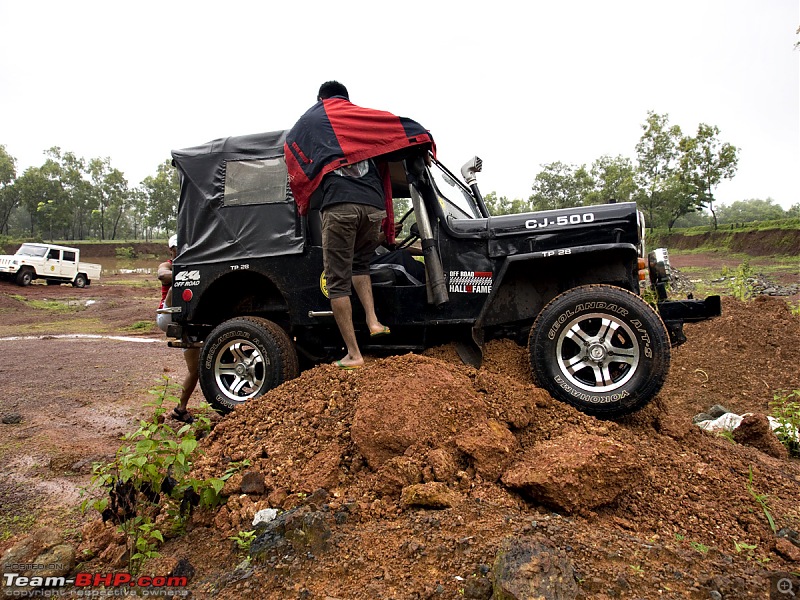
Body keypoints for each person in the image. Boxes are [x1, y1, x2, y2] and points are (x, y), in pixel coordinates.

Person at [285, 80, 434, 369]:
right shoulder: (359, 120)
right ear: (345, 99)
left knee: (337, 282)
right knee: (360, 264)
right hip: (374, 208)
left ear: (320, 98)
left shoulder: (313, 120)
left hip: (340, 207)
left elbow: (292, 147)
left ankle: (354, 354)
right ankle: (373, 321)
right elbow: (397, 130)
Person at [157, 234, 199, 422]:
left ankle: (180, 409)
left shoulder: (193, 264)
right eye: (176, 248)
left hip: (186, 322)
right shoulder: (167, 265)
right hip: (167, 315)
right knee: (181, 281)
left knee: (195, 369)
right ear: (171, 250)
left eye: (182, 247)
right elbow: (162, 275)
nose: (179, 251)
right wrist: (185, 272)